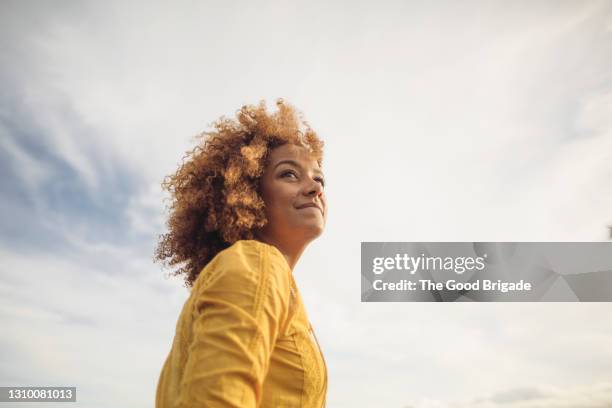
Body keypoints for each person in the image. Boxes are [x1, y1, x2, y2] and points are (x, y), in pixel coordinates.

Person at [154, 99, 328, 407]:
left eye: (319, 179)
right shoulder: (258, 263)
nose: (315, 188)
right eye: (289, 174)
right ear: (248, 192)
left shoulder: (261, 274)